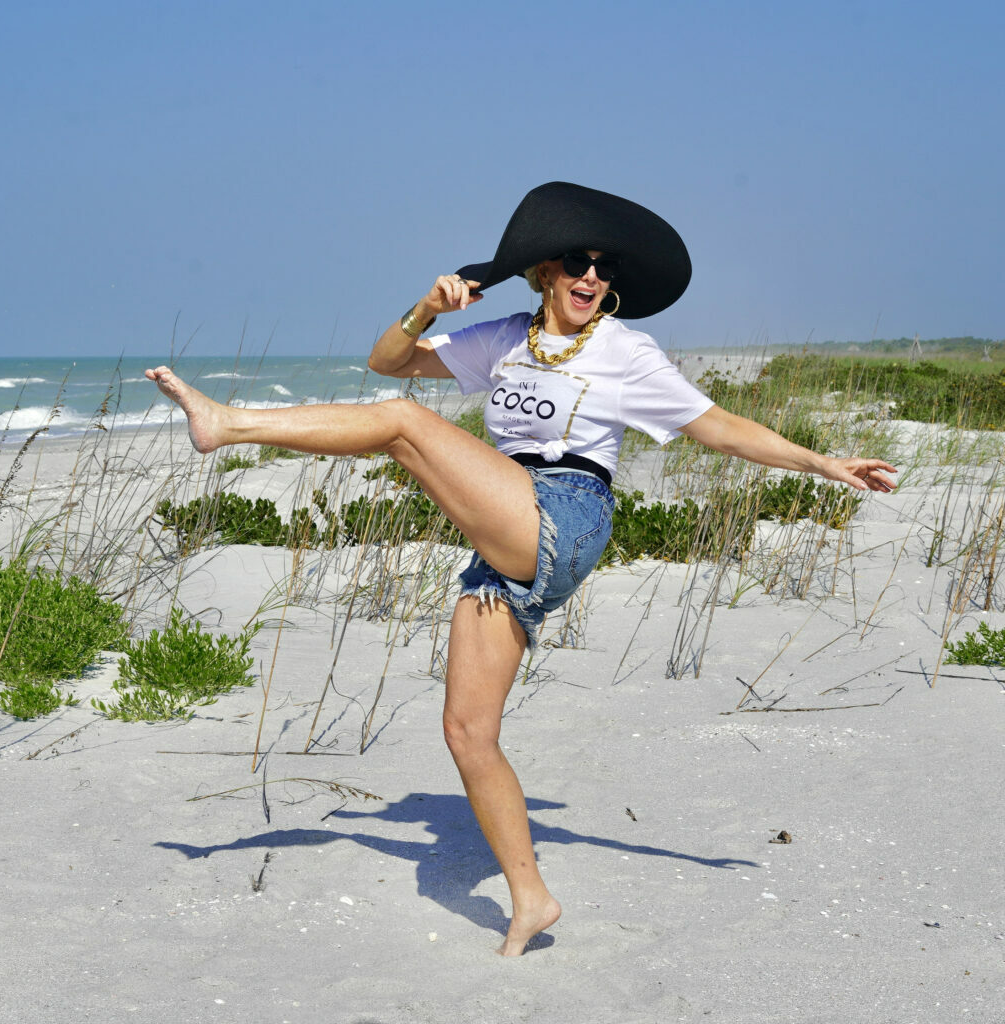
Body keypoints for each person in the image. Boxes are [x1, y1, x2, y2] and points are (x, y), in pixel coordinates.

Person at [146, 181, 896, 956]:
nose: (593, 277)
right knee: (467, 731)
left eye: (606, 270)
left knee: (404, 429)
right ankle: (531, 896)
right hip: (505, 530)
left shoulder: (625, 351)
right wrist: (429, 308)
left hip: (567, 510)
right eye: (578, 260)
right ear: (544, 270)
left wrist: (822, 462)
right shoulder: (504, 338)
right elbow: (388, 363)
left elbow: (720, 428)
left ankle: (226, 422)